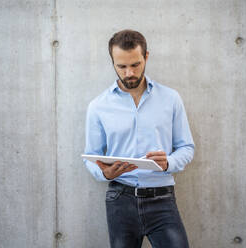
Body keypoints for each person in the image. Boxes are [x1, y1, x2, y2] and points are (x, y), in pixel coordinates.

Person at [83, 29, 195, 248]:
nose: (128, 73)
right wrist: (104, 172)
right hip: (120, 199)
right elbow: (90, 156)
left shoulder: (170, 99)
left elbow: (186, 147)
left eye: (135, 65)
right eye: (121, 66)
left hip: (163, 200)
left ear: (146, 57)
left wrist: (168, 163)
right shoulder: (98, 106)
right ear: (112, 62)